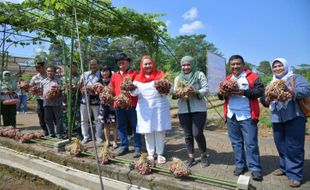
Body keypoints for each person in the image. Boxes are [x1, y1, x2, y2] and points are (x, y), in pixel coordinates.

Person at [261, 58, 310, 188]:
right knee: (280, 144)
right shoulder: (272, 82)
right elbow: (264, 100)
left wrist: (289, 91)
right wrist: (268, 97)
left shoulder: (295, 77)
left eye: (280, 66)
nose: (277, 68)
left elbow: (306, 90)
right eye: (275, 66)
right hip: (277, 118)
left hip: (294, 116)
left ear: (286, 66)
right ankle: (284, 167)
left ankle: (295, 175)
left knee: (294, 146)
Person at [218, 55, 263, 181]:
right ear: (229, 66)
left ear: (243, 65)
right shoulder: (227, 79)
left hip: (247, 115)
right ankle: (240, 165)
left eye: (237, 64)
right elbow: (221, 97)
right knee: (236, 143)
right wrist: (222, 92)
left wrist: (243, 92)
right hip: (232, 115)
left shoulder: (252, 77)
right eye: (232, 64)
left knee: (251, 143)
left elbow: (260, 92)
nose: (235, 66)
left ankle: (255, 168)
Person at [131, 55, 171, 164]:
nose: (148, 66)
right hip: (145, 109)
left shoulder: (161, 75)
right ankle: (150, 154)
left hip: (159, 107)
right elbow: (134, 93)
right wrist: (130, 88)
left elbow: (168, 88)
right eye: (145, 64)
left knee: (159, 130)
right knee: (147, 132)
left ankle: (160, 154)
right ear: (142, 65)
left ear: (153, 64)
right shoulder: (138, 78)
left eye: (149, 63)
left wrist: (165, 88)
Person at [172, 56, 209, 168]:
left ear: (192, 64)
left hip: (198, 109)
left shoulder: (199, 74)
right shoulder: (178, 77)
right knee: (188, 135)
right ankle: (191, 157)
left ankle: (203, 155)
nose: (186, 67)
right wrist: (177, 93)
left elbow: (206, 89)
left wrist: (195, 91)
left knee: (197, 133)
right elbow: (174, 91)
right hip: (183, 110)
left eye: (188, 64)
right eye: (183, 65)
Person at [110, 53, 142, 158]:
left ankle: (137, 147)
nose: (121, 62)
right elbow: (111, 88)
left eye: (123, 60)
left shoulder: (134, 73)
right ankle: (124, 146)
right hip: (118, 104)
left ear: (128, 62)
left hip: (131, 103)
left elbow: (138, 89)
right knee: (121, 126)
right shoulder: (114, 75)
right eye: (118, 61)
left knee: (135, 125)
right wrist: (105, 92)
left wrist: (132, 87)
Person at [80, 58, 102, 144]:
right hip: (84, 100)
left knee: (98, 119)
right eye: (91, 64)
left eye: (94, 64)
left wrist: (94, 89)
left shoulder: (101, 74)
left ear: (98, 65)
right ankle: (85, 136)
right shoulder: (84, 74)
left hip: (96, 100)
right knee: (84, 119)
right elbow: (80, 86)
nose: (92, 66)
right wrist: (83, 88)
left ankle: (98, 136)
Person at [41, 65, 65, 138]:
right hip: (47, 103)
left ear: (54, 72)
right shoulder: (43, 81)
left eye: (51, 71)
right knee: (48, 119)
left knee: (59, 119)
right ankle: (51, 133)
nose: (50, 72)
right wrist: (46, 95)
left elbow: (62, 91)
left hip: (57, 103)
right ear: (46, 72)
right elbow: (41, 92)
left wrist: (56, 94)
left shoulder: (59, 80)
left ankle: (59, 134)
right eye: (48, 71)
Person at [97, 66, 117, 148]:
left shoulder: (113, 80)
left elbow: (116, 91)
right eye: (103, 71)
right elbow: (97, 92)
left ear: (110, 71)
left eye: (106, 71)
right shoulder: (99, 81)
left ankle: (115, 141)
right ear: (101, 72)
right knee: (106, 124)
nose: (105, 73)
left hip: (112, 105)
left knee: (114, 124)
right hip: (103, 106)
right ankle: (107, 141)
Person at [30, 61, 48, 135]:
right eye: (36, 67)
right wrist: (33, 90)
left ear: (43, 67)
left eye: (39, 67)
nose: (37, 69)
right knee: (41, 114)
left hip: (49, 99)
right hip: (39, 99)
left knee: (49, 115)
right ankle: (44, 130)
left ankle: (51, 130)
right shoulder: (35, 77)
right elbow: (30, 87)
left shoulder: (48, 76)